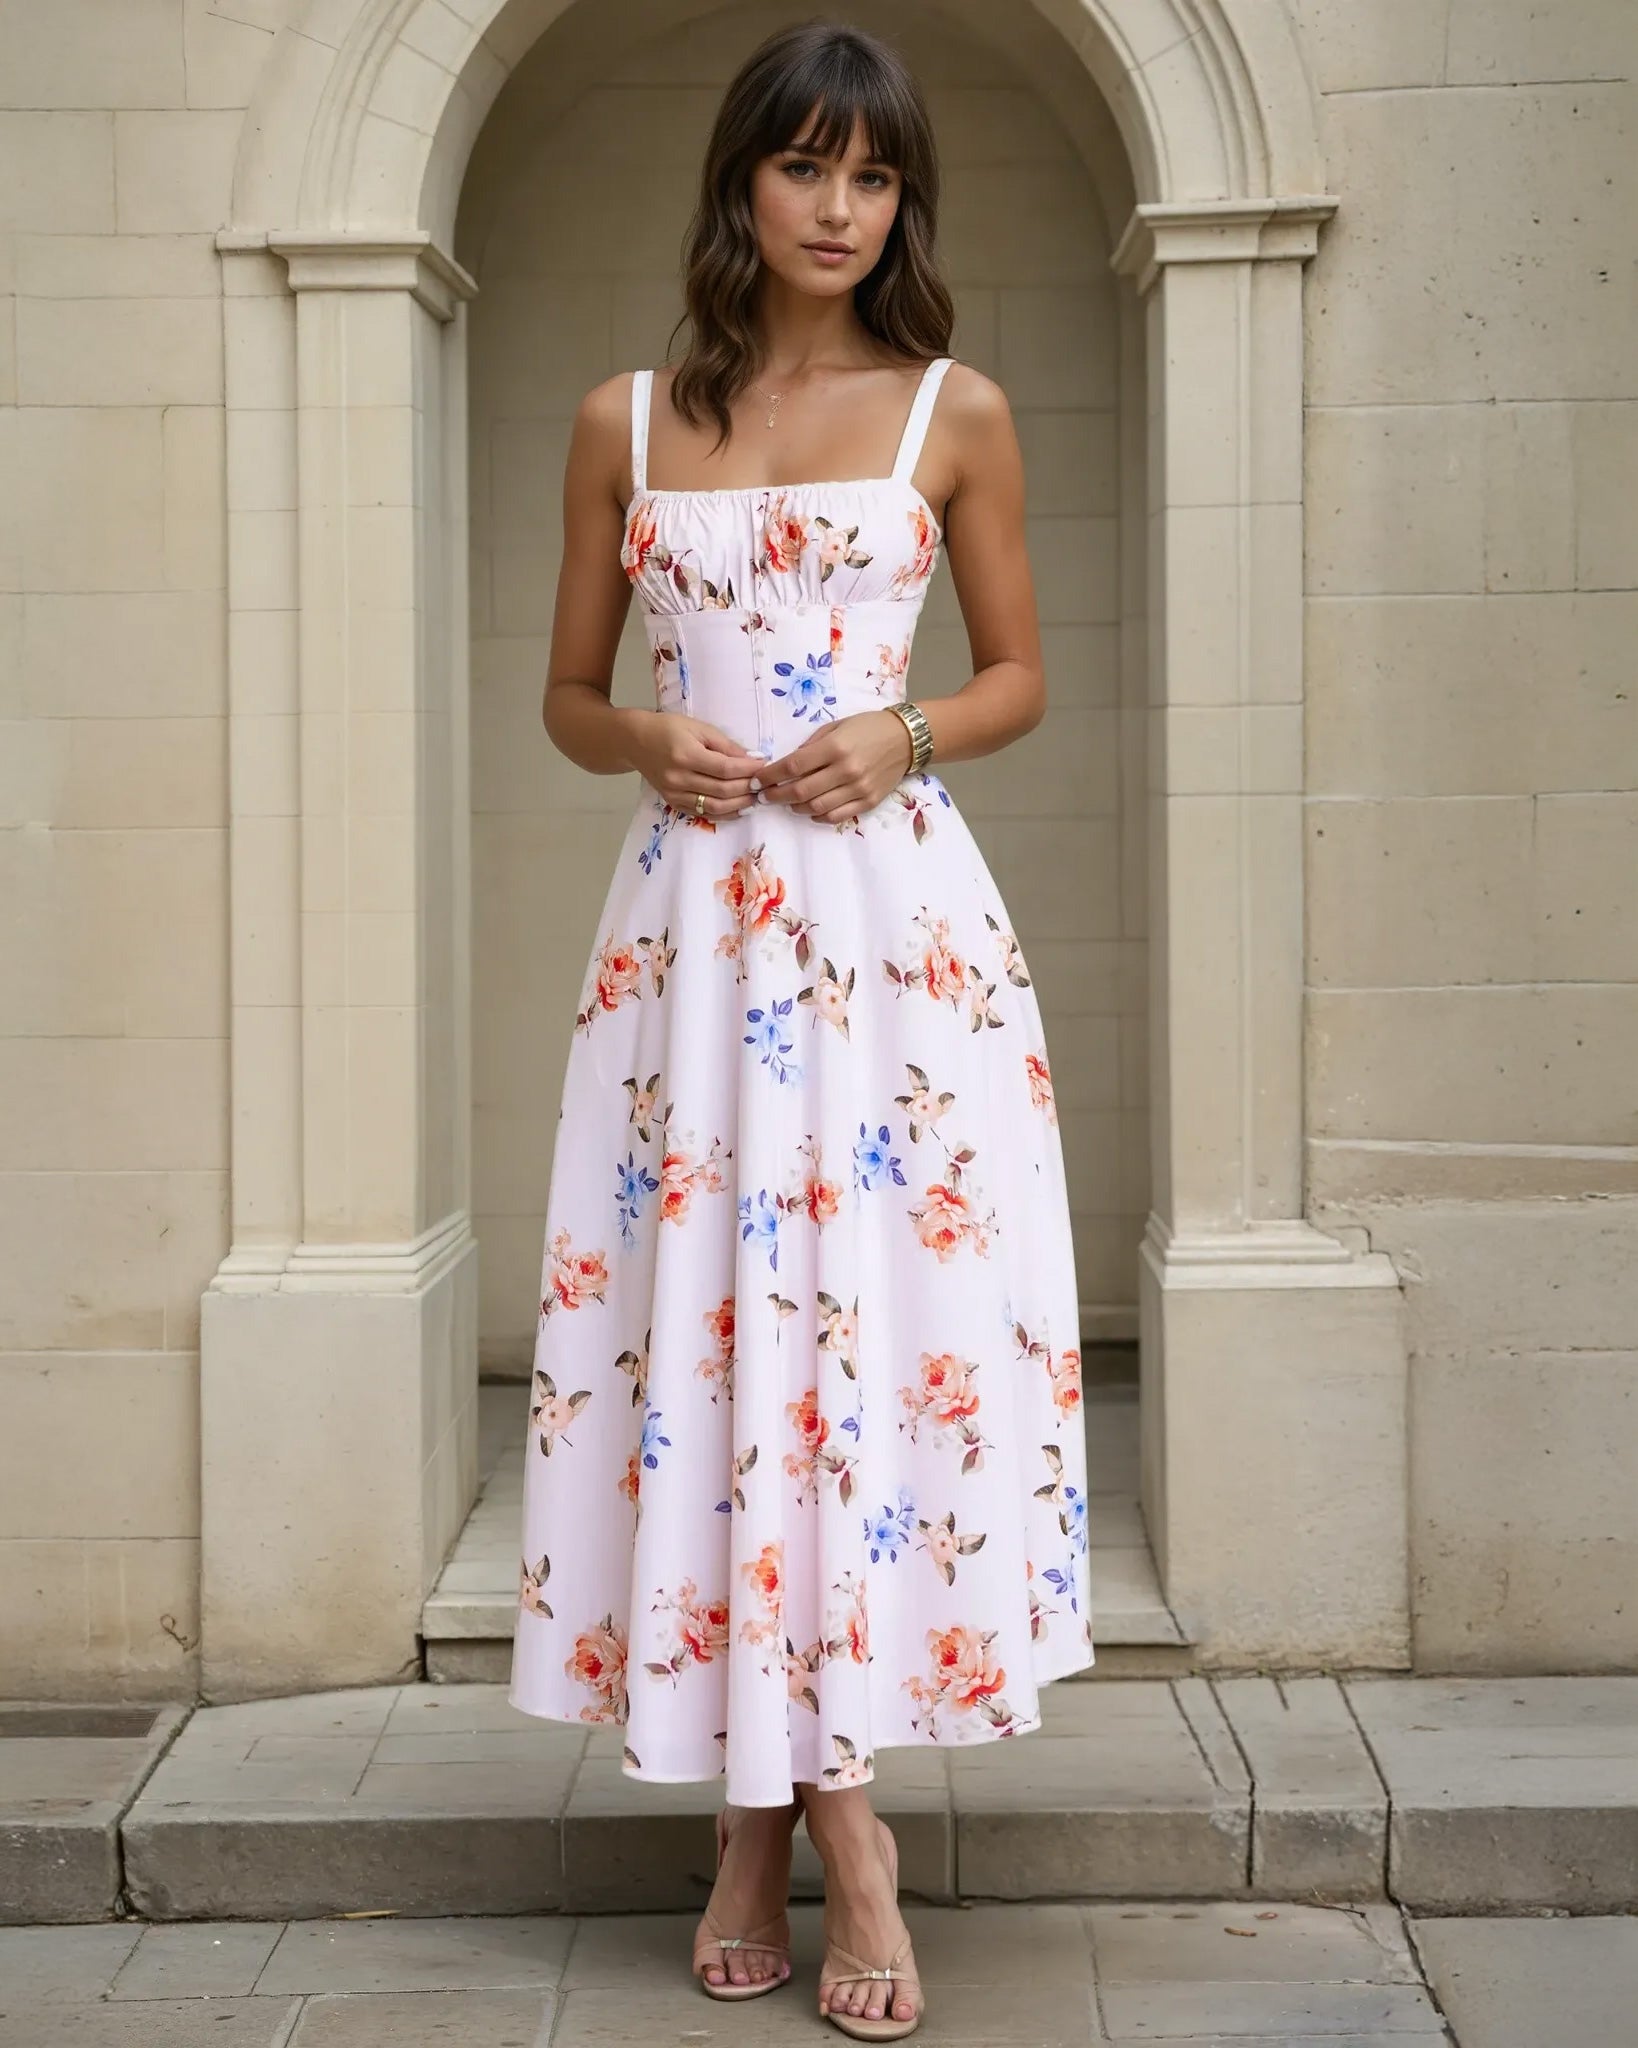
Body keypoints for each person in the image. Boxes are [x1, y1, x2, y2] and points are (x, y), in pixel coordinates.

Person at [507, 17, 1094, 2040]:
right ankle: (812, 1822)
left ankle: (799, 1826)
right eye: (810, 169)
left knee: (859, 1353)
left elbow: (1017, 671)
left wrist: (901, 726)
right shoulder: (623, 422)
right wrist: (644, 735)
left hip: (888, 941)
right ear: (740, 182)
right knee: (717, 1348)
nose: (844, 209)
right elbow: (569, 698)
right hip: (687, 943)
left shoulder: (958, 408)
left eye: (877, 177)